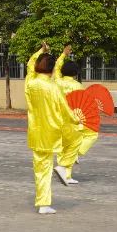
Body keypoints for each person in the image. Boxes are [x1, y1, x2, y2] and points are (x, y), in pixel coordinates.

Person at [25, 43, 80, 214]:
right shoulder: (53, 87)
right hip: (52, 132)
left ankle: (43, 203)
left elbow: (30, 64)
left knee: (40, 168)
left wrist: (41, 51)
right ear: (51, 69)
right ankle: (45, 201)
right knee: (75, 143)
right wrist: (76, 119)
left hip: (35, 131)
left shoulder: (30, 83)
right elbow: (65, 108)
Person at [51, 48, 96, 186]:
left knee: (63, 147)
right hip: (71, 120)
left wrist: (63, 54)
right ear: (76, 73)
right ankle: (72, 159)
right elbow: (83, 105)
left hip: (56, 119)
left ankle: (66, 176)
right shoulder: (78, 86)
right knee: (90, 135)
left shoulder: (56, 81)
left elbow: (57, 66)